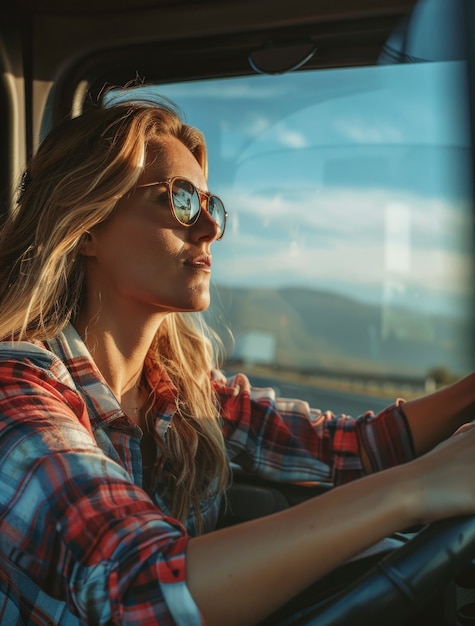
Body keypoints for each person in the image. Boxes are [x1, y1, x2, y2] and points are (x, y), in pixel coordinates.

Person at [1, 96, 475, 626]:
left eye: (212, 206)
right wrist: (416, 488)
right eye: (180, 201)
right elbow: (135, 591)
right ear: (87, 224)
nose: (209, 228)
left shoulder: (182, 393)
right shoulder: (15, 395)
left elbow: (351, 447)